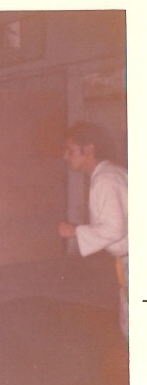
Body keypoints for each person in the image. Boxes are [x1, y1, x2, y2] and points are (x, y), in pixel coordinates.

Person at [58, 122, 128, 339]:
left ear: (89, 149)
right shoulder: (111, 173)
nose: (65, 156)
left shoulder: (105, 179)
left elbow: (114, 229)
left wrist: (74, 231)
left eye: (70, 150)